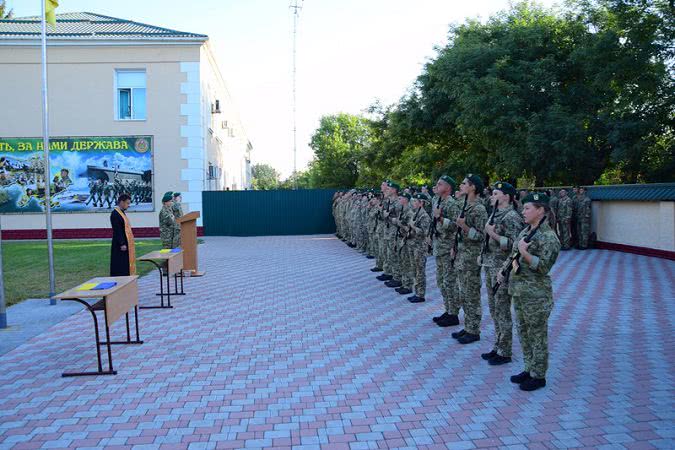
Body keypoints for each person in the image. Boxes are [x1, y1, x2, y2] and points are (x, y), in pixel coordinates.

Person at [498, 192, 560, 391]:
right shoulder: (526, 231)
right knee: (523, 332)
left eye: (527, 208)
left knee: (537, 334)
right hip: (519, 290)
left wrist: (525, 252)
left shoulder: (549, 237)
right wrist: (503, 269)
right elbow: (514, 253)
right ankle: (528, 368)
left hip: (535, 295)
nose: (523, 211)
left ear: (540, 210)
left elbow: (543, 267)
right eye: (523, 208)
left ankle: (539, 375)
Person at [480, 182, 524, 365]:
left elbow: (516, 246)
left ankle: (505, 351)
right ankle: (497, 345)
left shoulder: (511, 216)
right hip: (490, 265)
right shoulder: (494, 214)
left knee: (502, 310)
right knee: (494, 309)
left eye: (496, 193)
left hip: (502, 269)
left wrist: (494, 235)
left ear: (506, 196)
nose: (492, 196)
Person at [452, 174, 488, 344]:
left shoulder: (479, 209)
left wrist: (464, 226)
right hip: (462, 254)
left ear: (473, 187)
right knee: (463, 293)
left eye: (465, 183)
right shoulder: (466, 206)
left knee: (471, 293)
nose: (461, 185)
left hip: (472, 257)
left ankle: (474, 330)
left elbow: (482, 236)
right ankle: (468, 326)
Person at [431, 176, 462, 327]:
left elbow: (457, 226)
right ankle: (448, 309)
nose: (437, 186)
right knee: (441, 281)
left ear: (448, 187)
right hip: (439, 245)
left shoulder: (451, 203)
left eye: (440, 184)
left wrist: (441, 218)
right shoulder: (438, 201)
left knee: (449, 281)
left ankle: (454, 313)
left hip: (447, 246)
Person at [405, 193, 432, 303]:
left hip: (420, 247)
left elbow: (424, 233)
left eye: (416, 201)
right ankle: (416, 292)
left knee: (420, 271)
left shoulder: (424, 216)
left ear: (422, 203)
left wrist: (413, 226)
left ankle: (420, 294)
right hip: (413, 245)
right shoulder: (416, 214)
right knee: (414, 269)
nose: (414, 203)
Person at [110, 194, 136, 276]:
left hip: (125, 241)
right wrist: (122, 243)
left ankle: (127, 275)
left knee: (125, 261)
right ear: (121, 202)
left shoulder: (122, 213)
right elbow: (117, 230)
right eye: (127, 203)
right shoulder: (115, 214)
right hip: (120, 244)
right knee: (120, 262)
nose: (128, 205)